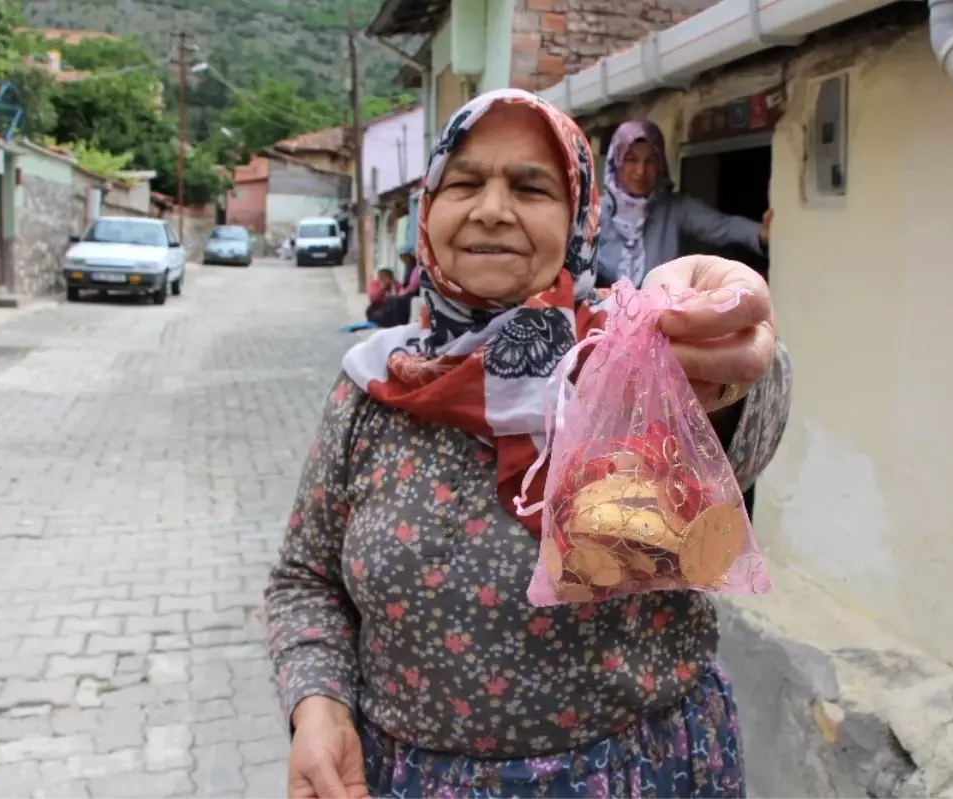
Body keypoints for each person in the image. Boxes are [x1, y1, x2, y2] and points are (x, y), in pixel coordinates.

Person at [265, 89, 792, 799]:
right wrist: (317, 702)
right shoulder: (375, 385)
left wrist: (723, 358)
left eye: (530, 186)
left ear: (579, 216)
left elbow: (741, 428)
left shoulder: (619, 358)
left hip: (637, 775)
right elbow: (307, 579)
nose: (489, 209)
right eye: (464, 182)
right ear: (427, 209)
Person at [596, 119, 773, 288]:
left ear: (660, 165)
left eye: (650, 160)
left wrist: (760, 234)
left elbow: (721, 226)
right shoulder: (596, 212)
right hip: (607, 316)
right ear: (616, 162)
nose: (641, 171)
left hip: (662, 316)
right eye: (631, 160)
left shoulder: (675, 208)